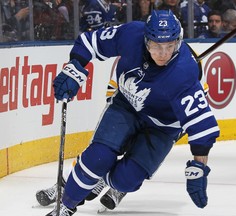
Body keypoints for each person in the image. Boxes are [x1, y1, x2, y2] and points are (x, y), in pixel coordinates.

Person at [46, 9, 220, 216]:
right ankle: (66, 206)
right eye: (156, 46)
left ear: (178, 42)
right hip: (127, 106)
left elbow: (202, 126)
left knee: (126, 180)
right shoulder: (131, 35)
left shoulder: (184, 73)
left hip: (163, 127)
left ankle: (99, 179)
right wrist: (74, 65)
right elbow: (89, 41)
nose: (162, 53)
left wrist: (199, 169)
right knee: (99, 157)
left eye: (169, 46)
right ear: (146, 40)